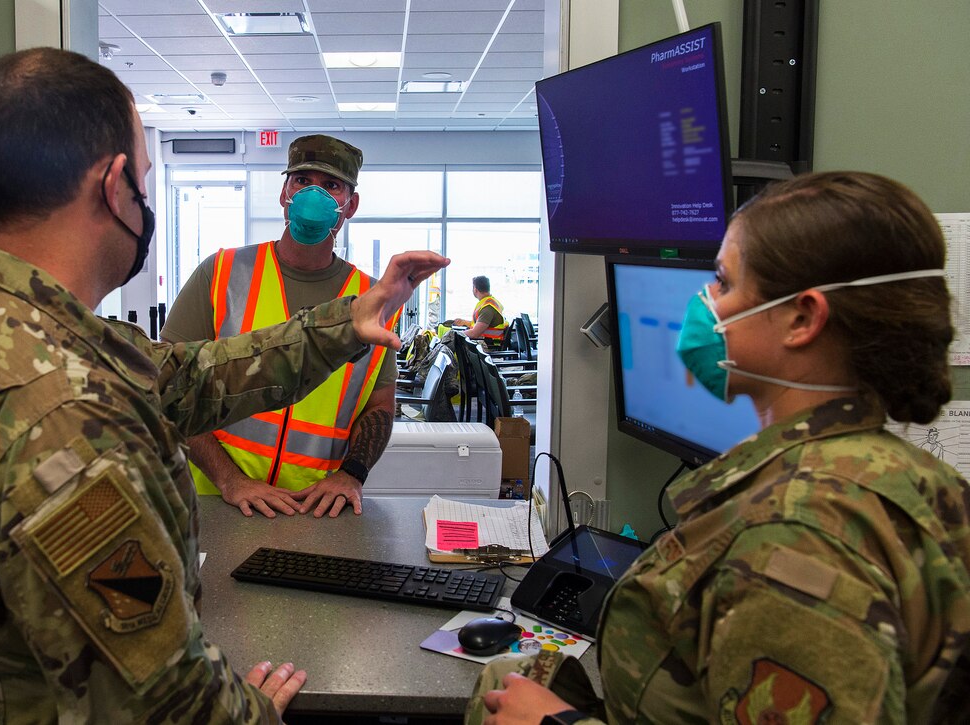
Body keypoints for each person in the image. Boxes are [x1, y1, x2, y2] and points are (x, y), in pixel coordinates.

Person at [0, 47, 447, 724]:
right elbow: (171, 699)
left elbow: (194, 375)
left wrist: (345, 323)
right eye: (147, 178)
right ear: (114, 185)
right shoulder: (60, 420)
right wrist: (253, 711)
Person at [466, 172, 970, 724]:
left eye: (724, 284)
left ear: (802, 319)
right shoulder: (901, 474)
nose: (705, 304)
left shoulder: (795, 533)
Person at [161, 134, 397, 519]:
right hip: (216, 503)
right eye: (302, 180)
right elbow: (170, 392)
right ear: (284, 192)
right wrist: (230, 480)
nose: (313, 195)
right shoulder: (220, 273)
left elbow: (380, 404)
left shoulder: (371, 300)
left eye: (331, 185)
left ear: (350, 205)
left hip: (316, 509)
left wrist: (352, 474)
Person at [453, 275, 506, 344]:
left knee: (453, 341)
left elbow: (474, 333)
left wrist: (455, 334)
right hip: (485, 341)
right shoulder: (489, 302)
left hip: (487, 345)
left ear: (475, 289)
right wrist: (465, 323)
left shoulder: (487, 308)